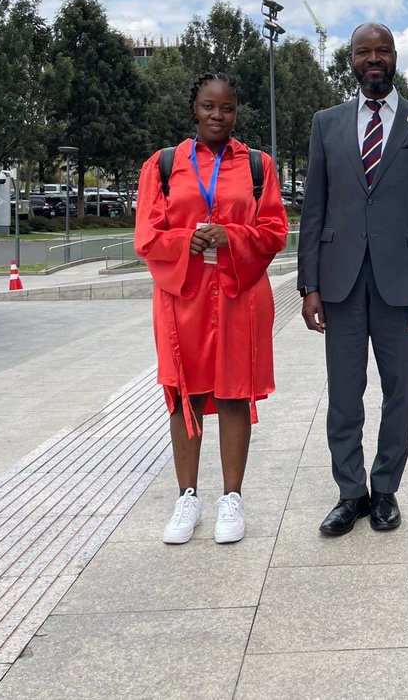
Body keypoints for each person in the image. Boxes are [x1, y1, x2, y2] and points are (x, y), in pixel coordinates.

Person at [298, 22, 408, 536]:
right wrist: (309, 285)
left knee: (399, 393)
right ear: (351, 60)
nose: (373, 58)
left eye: (381, 50)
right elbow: (314, 209)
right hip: (340, 282)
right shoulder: (326, 123)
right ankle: (350, 493)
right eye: (363, 51)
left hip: (404, 287)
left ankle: (385, 489)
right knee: (344, 394)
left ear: (395, 57)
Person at [134, 73, 289, 544]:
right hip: (183, 296)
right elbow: (147, 236)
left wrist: (232, 236)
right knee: (184, 393)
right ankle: (187, 497)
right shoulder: (162, 166)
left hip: (239, 294)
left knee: (233, 392)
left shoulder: (258, 165)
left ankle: (231, 498)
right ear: (194, 109)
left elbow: (275, 230)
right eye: (208, 106)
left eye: (226, 108)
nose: (217, 116)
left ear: (236, 112)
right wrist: (188, 239)